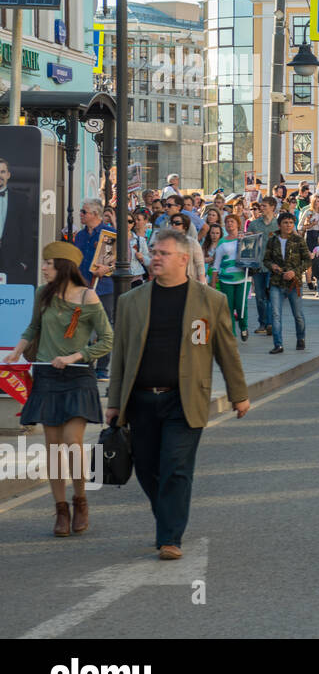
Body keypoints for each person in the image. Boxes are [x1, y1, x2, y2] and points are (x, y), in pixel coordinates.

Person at [106, 228, 251, 560]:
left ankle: (170, 537)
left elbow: (226, 351)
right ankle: (167, 518)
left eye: (163, 253)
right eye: (154, 251)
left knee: (176, 466)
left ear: (184, 259)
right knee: (145, 467)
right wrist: (114, 403)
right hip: (141, 400)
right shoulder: (132, 301)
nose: (155, 257)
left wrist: (238, 394)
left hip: (183, 399)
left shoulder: (210, 301)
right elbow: (120, 355)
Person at [4, 242, 113, 536]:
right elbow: (33, 328)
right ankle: (61, 511)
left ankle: (81, 500)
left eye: (48, 263)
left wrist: (76, 356)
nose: (43, 267)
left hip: (78, 376)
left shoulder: (89, 297)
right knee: (52, 449)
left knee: (72, 443)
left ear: (63, 266)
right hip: (47, 376)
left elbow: (107, 340)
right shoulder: (44, 294)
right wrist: (17, 351)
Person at [72, 199, 116, 379]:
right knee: (82, 327)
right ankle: (85, 364)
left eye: (84, 212)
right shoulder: (80, 236)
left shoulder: (109, 233)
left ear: (95, 215)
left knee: (104, 328)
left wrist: (108, 269)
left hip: (103, 288)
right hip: (82, 289)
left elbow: (123, 262)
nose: (81, 215)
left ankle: (102, 368)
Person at [262, 211, 309, 354]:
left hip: (294, 283)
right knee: (276, 314)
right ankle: (278, 344)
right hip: (277, 282)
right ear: (279, 225)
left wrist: (295, 272)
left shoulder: (298, 240)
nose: (288, 225)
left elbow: (307, 260)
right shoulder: (272, 240)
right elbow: (266, 260)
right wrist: (272, 266)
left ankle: (300, 338)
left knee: (298, 315)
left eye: (290, 223)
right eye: (285, 223)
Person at [210, 213, 250, 341]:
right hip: (226, 280)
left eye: (232, 221)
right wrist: (213, 282)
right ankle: (232, 334)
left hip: (243, 278)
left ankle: (243, 327)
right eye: (227, 222)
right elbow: (216, 264)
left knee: (241, 306)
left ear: (238, 224)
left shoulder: (244, 238)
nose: (229, 224)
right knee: (229, 308)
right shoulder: (222, 242)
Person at [246, 197, 278, 336]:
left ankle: (271, 324)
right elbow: (247, 244)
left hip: (273, 266)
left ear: (272, 207)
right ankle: (262, 323)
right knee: (260, 297)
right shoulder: (254, 224)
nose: (261, 208)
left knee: (271, 295)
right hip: (258, 266)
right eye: (261, 206)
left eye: (264, 206)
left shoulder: (278, 224)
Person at [127, 208, 152, 287]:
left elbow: (148, 261)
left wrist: (142, 257)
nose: (127, 224)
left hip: (136, 278)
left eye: (130, 221)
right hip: (120, 278)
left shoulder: (140, 240)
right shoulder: (114, 239)